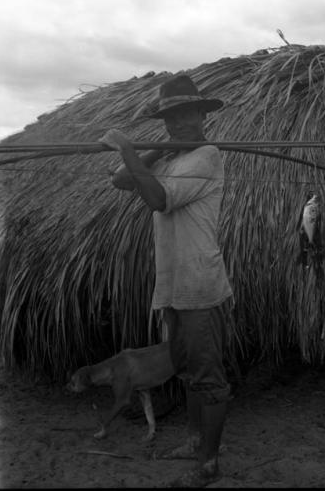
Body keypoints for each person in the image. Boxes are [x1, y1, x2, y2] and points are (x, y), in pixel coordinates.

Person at [100, 74, 233, 487]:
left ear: (202, 115)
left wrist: (127, 146)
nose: (181, 123)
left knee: (208, 377)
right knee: (187, 371)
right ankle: (194, 441)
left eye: (188, 113)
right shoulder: (174, 156)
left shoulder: (206, 156)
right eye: (172, 117)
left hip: (200, 286)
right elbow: (121, 179)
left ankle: (208, 465)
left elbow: (156, 197)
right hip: (174, 287)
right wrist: (158, 149)